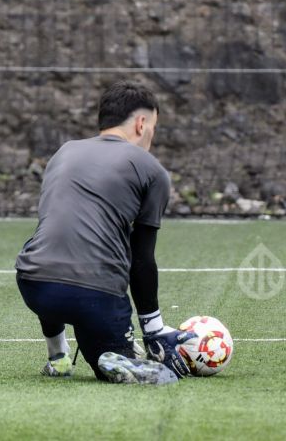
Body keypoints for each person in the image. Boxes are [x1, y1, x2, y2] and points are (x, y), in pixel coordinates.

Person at [15, 81, 191, 384]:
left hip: (34, 284)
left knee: (52, 246)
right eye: (153, 128)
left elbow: (57, 227)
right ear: (141, 123)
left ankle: (58, 356)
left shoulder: (64, 153)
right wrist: (154, 331)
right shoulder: (151, 169)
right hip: (94, 295)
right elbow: (141, 258)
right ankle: (113, 356)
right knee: (112, 359)